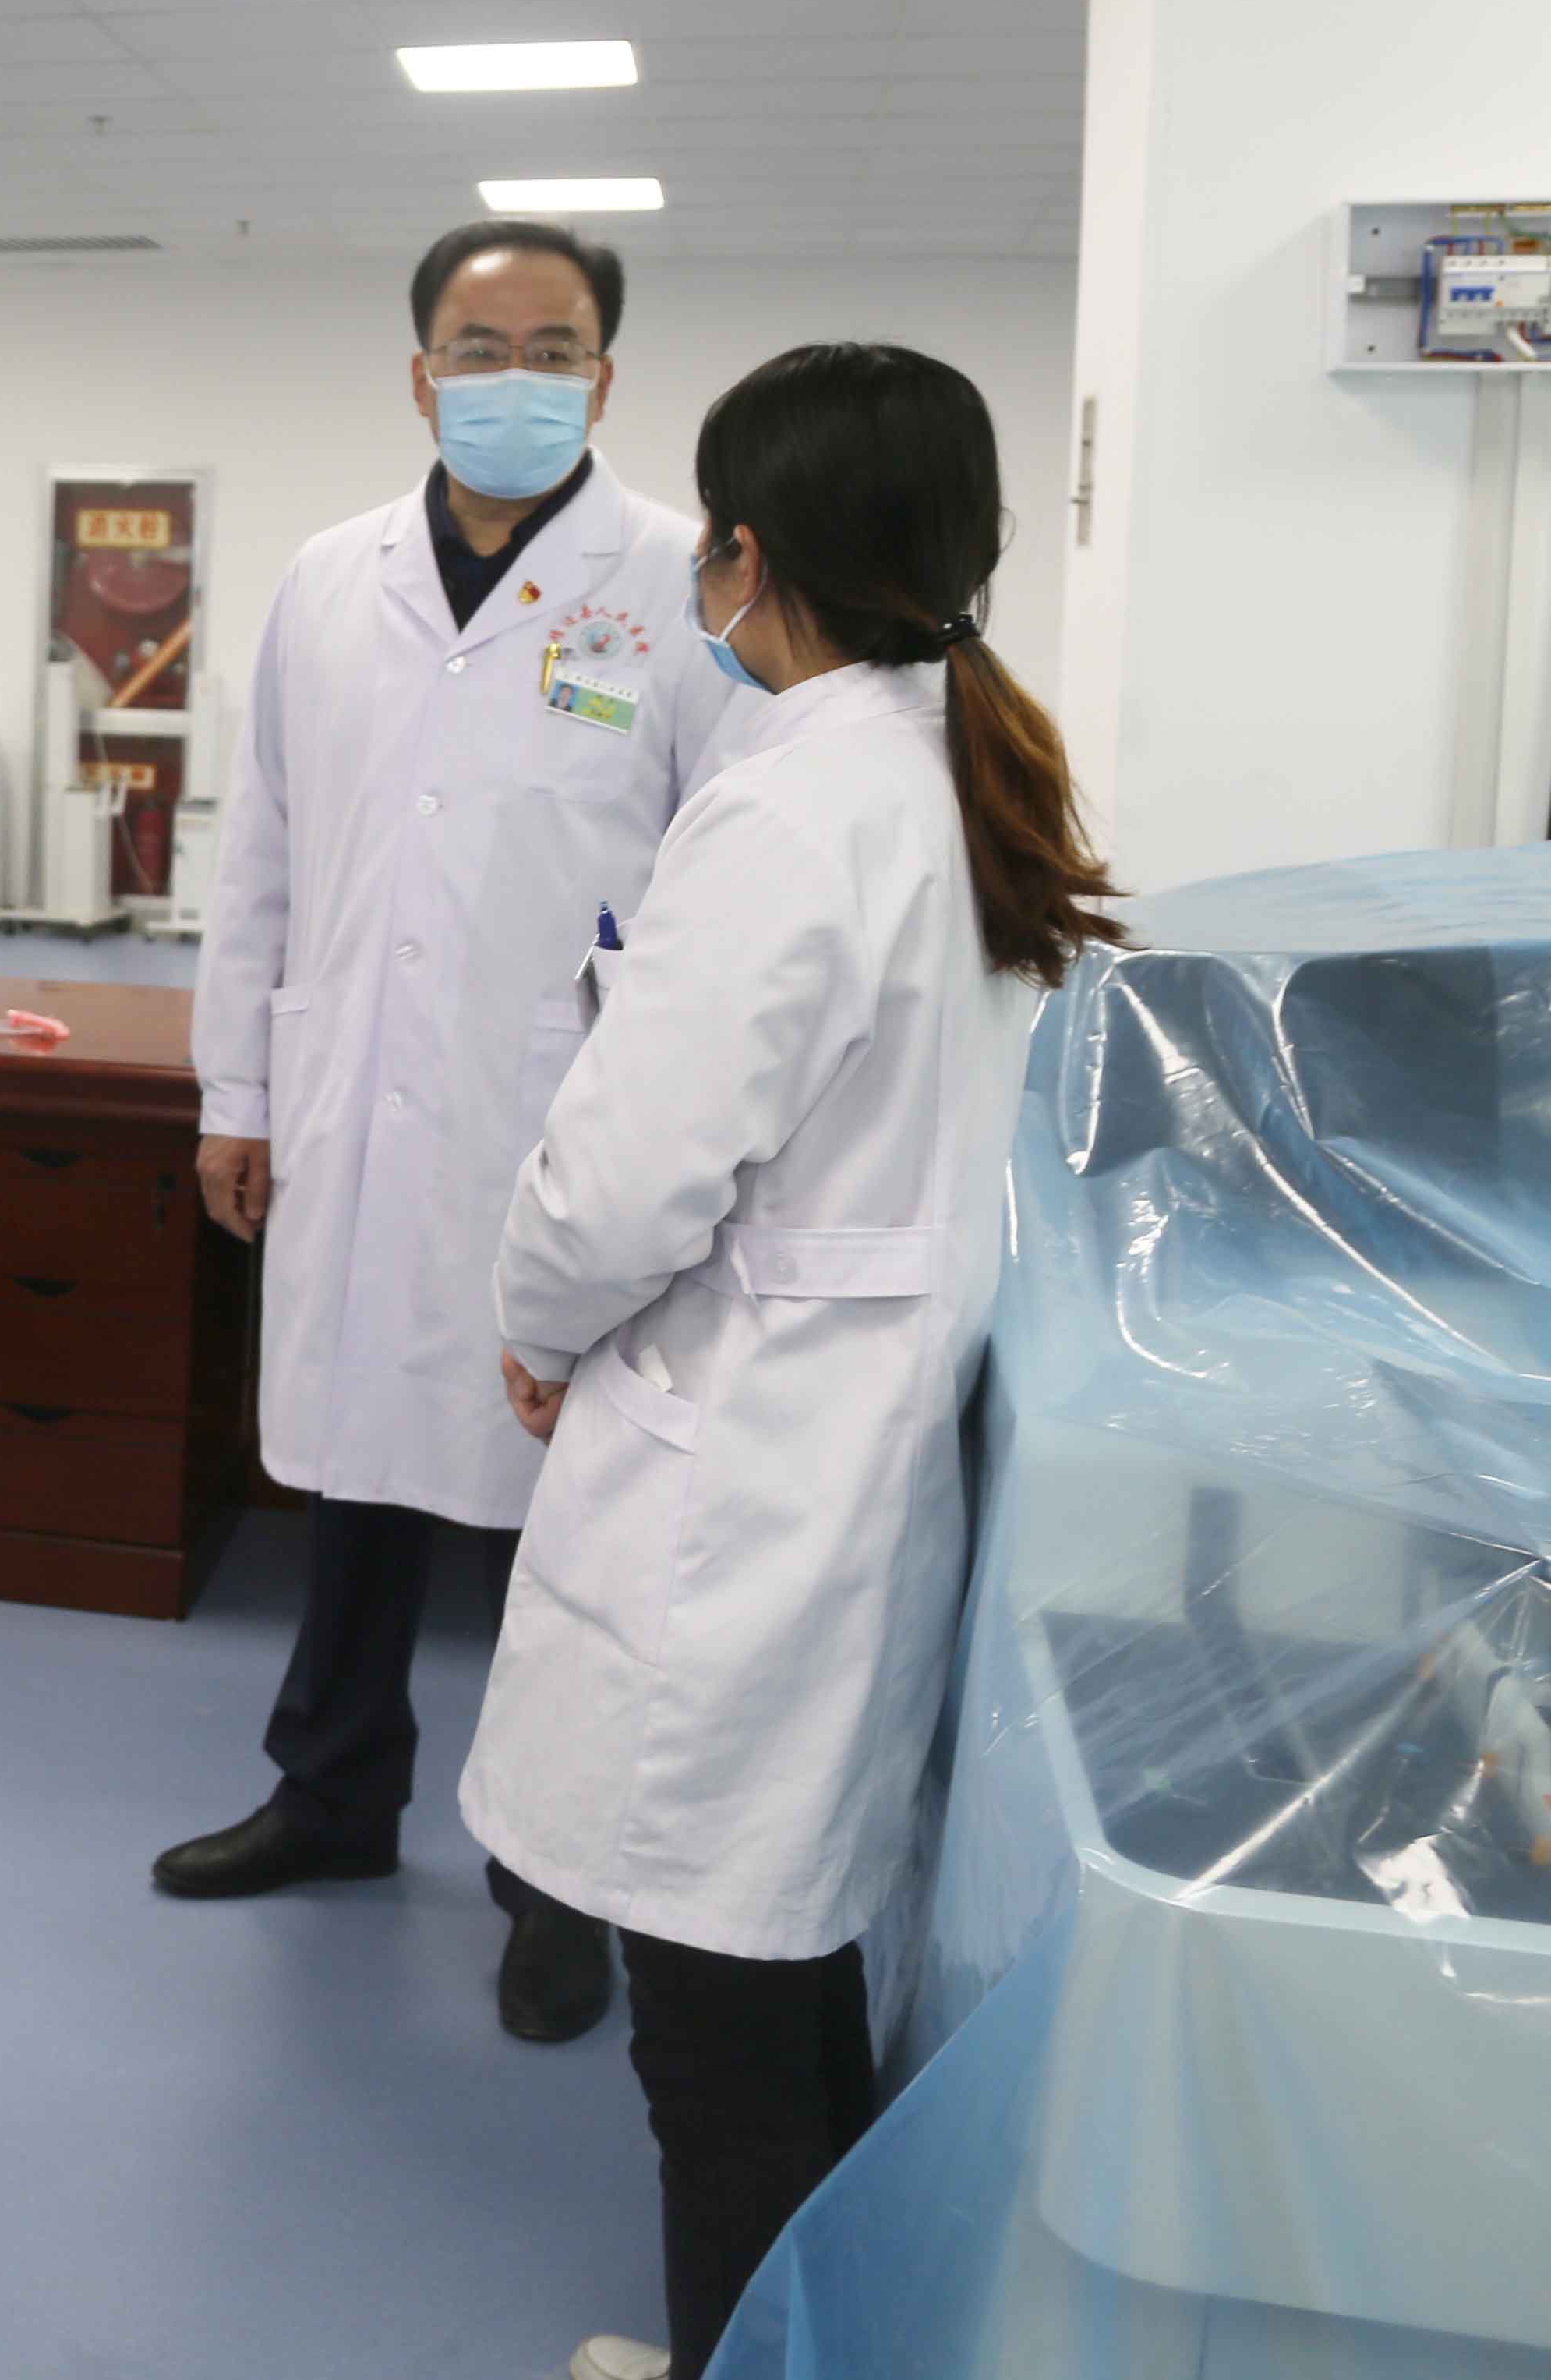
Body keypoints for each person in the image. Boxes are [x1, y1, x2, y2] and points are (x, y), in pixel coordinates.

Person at [472, 345, 1113, 2380]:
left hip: (743, 1477)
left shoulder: (791, 805)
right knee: (793, 1972)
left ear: (746, 556)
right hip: (851, 1447)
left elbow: (623, 1177)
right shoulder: (951, 771)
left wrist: (534, 1323)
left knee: (720, 2039)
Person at [161, 221, 741, 2051]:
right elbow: (259, 847)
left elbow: (723, 868)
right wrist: (237, 1090)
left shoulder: (678, 582)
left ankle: (550, 1880)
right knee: (357, 1467)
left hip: (565, 1117)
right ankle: (332, 1791)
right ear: (420, 374)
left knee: (557, 1510)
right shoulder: (329, 578)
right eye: (478, 348)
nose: (512, 378)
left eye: (551, 348)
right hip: (351, 1095)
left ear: (605, 377)